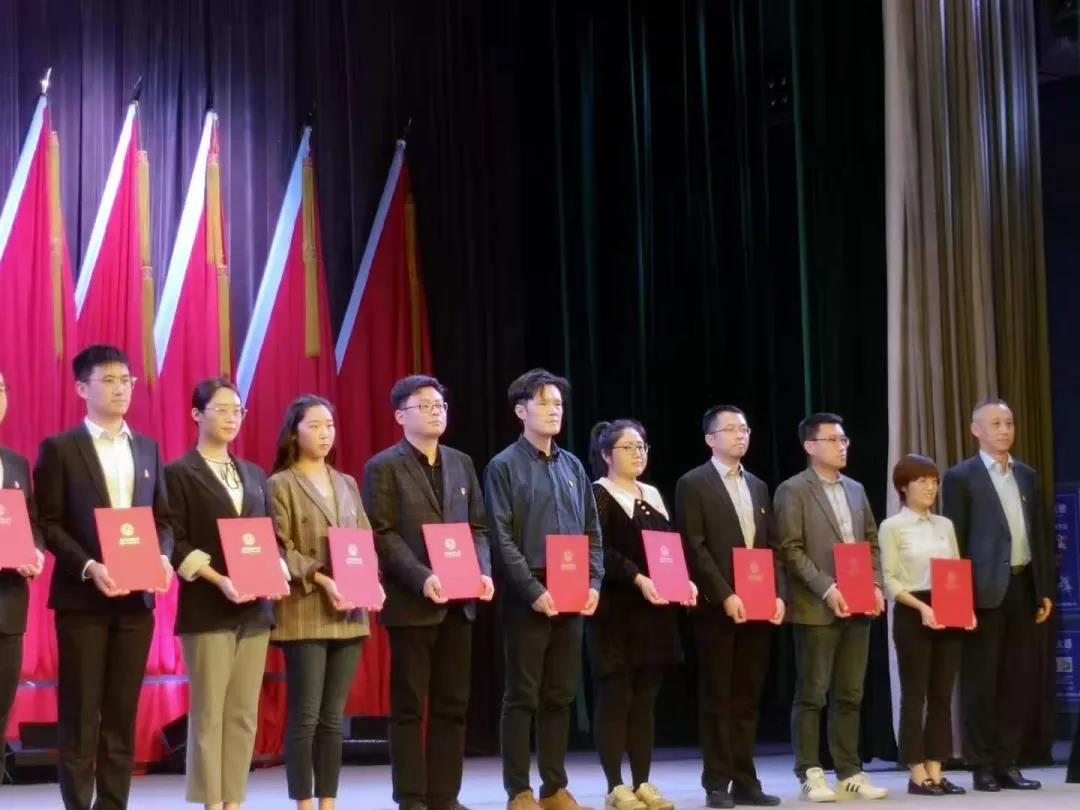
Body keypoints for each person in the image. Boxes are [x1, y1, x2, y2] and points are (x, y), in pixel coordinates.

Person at [33, 344, 174, 810]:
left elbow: (163, 520)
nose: (120, 389)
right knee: (80, 713)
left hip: (137, 603)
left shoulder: (148, 448)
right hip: (83, 601)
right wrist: (90, 567)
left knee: (121, 714)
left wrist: (164, 557)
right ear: (82, 388)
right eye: (109, 380)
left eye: (126, 380)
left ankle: (114, 804)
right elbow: (49, 523)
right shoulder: (61, 449)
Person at [362, 375, 494, 810]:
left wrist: (483, 571)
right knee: (409, 708)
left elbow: (478, 526)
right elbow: (382, 533)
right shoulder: (383, 466)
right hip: (411, 604)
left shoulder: (461, 462)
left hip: (460, 602)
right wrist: (421, 577)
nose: (437, 411)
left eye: (440, 404)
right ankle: (412, 798)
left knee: (453, 705)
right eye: (425, 405)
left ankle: (445, 796)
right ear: (400, 416)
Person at [484, 369, 603, 810]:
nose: (555, 411)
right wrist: (532, 589)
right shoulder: (503, 466)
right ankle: (518, 789)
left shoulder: (573, 466)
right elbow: (500, 537)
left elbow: (592, 531)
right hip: (527, 589)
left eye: (559, 404)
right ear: (521, 411)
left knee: (560, 694)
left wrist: (594, 581)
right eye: (545, 403)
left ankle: (554, 787)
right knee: (522, 694)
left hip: (572, 586)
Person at [166, 378, 284, 810]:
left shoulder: (253, 474)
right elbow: (174, 539)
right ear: (197, 415)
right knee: (209, 712)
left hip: (255, 608)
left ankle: (234, 800)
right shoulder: (179, 473)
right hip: (207, 606)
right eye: (222, 409)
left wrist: (278, 568)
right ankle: (211, 802)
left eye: (238, 410)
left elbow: (269, 535)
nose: (232, 417)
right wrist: (218, 579)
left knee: (243, 713)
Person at [269, 395, 382, 810]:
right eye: (314, 425)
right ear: (294, 432)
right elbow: (279, 548)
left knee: (334, 718)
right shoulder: (280, 484)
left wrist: (373, 582)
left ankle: (329, 802)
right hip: (306, 609)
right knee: (306, 715)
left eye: (329, 425)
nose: (324, 433)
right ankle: (303, 802)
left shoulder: (346, 482)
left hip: (350, 611)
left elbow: (363, 540)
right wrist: (322, 577)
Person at [940, 399, 1055, 792]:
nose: (1005, 430)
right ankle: (981, 764)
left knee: (1017, 680)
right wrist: (958, 599)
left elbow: (1040, 535)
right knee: (981, 682)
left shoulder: (1027, 475)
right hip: (981, 592)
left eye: (1009, 423)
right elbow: (954, 540)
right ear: (977, 430)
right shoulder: (960, 477)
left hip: (1023, 587)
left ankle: (1008, 762)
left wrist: (1044, 589)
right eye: (996, 423)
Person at [774, 412, 888, 802]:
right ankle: (809, 771)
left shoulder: (855, 489)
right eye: (833, 440)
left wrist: (875, 583)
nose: (842, 446)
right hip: (816, 606)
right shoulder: (793, 490)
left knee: (850, 692)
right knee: (813, 693)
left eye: (844, 439)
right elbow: (790, 548)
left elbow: (871, 540)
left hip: (859, 603)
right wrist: (827, 588)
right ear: (810, 446)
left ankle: (849, 770)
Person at [675, 405, 783, 808]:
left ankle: (746, 780)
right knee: (718, 697)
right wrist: (726, 594)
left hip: (758, 605)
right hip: (716, 608)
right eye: (732, 429)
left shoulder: (758, 485)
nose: (741, 435)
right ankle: (717, 782)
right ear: (711, 439)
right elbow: (695, 546)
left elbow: (771, 546)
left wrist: (777, 594)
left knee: (748, 697)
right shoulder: (693, 483)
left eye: (745, 428)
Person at [587, 419, 695, 810]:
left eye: (642, 446)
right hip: (617, 611)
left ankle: (643, 781)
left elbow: (668, 548)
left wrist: (684, 581)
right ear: (606, 454)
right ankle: (615, 785)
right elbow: (599, 549)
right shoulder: (598, 493)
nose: (638, 454)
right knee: (616, 697)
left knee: (646, 699)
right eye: (628, 447)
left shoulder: (651, 493)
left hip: (655, 613)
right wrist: (637, 577)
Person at [879, 454, 971, 796]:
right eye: (922, 481)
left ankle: (937, 767)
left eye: (934, 481)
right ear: (904, 487)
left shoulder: (944, 525)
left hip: (948, 609)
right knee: (915, 695)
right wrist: (921, 607)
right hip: (912, 612)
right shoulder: (892, 526)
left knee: (943, 695)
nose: (931, 487)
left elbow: (956, 570)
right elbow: (889, 579)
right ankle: (917, 772)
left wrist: (966, 609)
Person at [0, 370, 45, 749]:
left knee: (1, 713)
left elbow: (33, 523)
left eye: (0, 389)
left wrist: (36, 552)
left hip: (9, 607)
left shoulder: (16, 464)